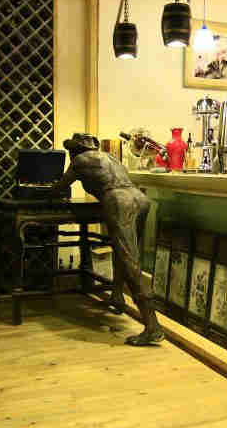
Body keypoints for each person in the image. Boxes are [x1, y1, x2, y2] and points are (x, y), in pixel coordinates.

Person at [51, 133, 163, 346]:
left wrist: (43, 191)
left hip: (118, 200)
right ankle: (117, 296)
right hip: (139, 198)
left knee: (130, 262)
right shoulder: (110, 157)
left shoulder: (79, 160)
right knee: (127, 254)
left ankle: (152, 326)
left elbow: (60, 188)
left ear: (76, 149)